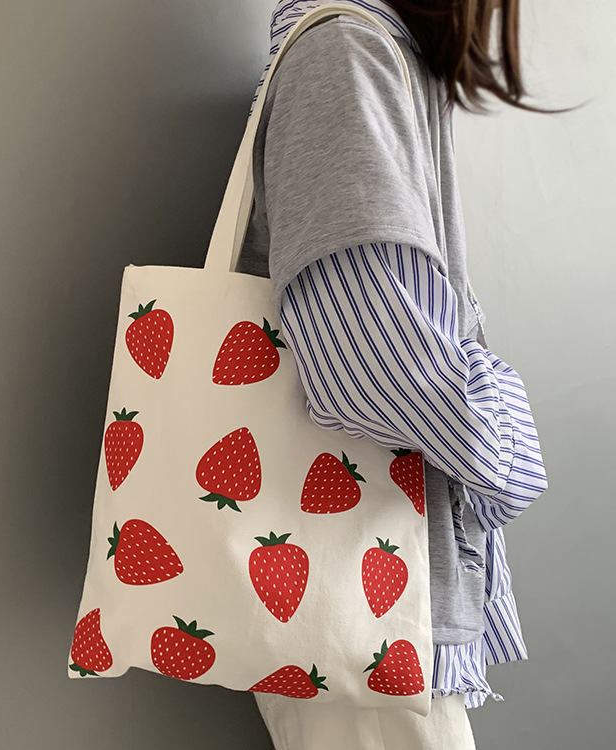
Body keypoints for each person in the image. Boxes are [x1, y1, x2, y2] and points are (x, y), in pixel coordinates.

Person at [237, 1, 578, 747]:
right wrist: (505, 444)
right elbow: (367, 359)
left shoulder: (368, 54)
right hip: (366, 611)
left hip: (372, 598)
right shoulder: (346, 55)